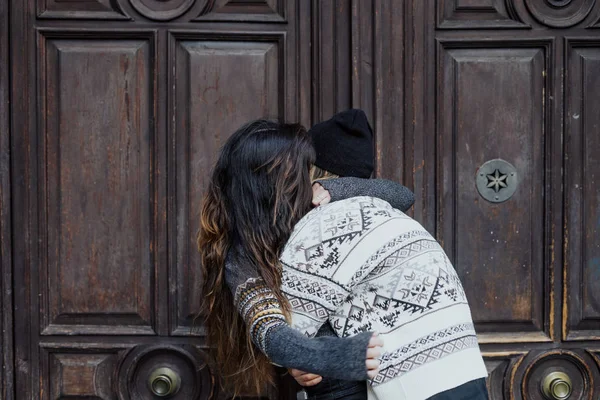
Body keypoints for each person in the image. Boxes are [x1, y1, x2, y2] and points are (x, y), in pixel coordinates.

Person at [198, 119, 415, 397]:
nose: (307, 180)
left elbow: (402, 195)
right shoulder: (241, 257)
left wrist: (336, 189)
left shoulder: (317, 210)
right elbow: (270, 330)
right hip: (340, 384)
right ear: (269, 182)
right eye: (302, 170)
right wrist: (320, 356)